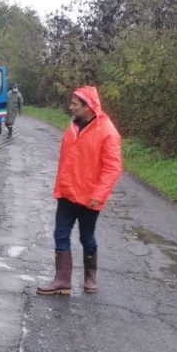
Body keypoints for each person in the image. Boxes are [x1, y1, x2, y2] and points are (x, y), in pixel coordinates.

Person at [37, 85, 122, 295]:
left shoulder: (107, 132)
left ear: (88, 107)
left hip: (89, 198)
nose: (70, 107)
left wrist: (99, 195)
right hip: (66, 193)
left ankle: (90, 276)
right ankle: (62, 280)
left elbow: (112, 167)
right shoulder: (73, 126)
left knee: (87, 238)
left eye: (75, 104)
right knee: (61, 234)